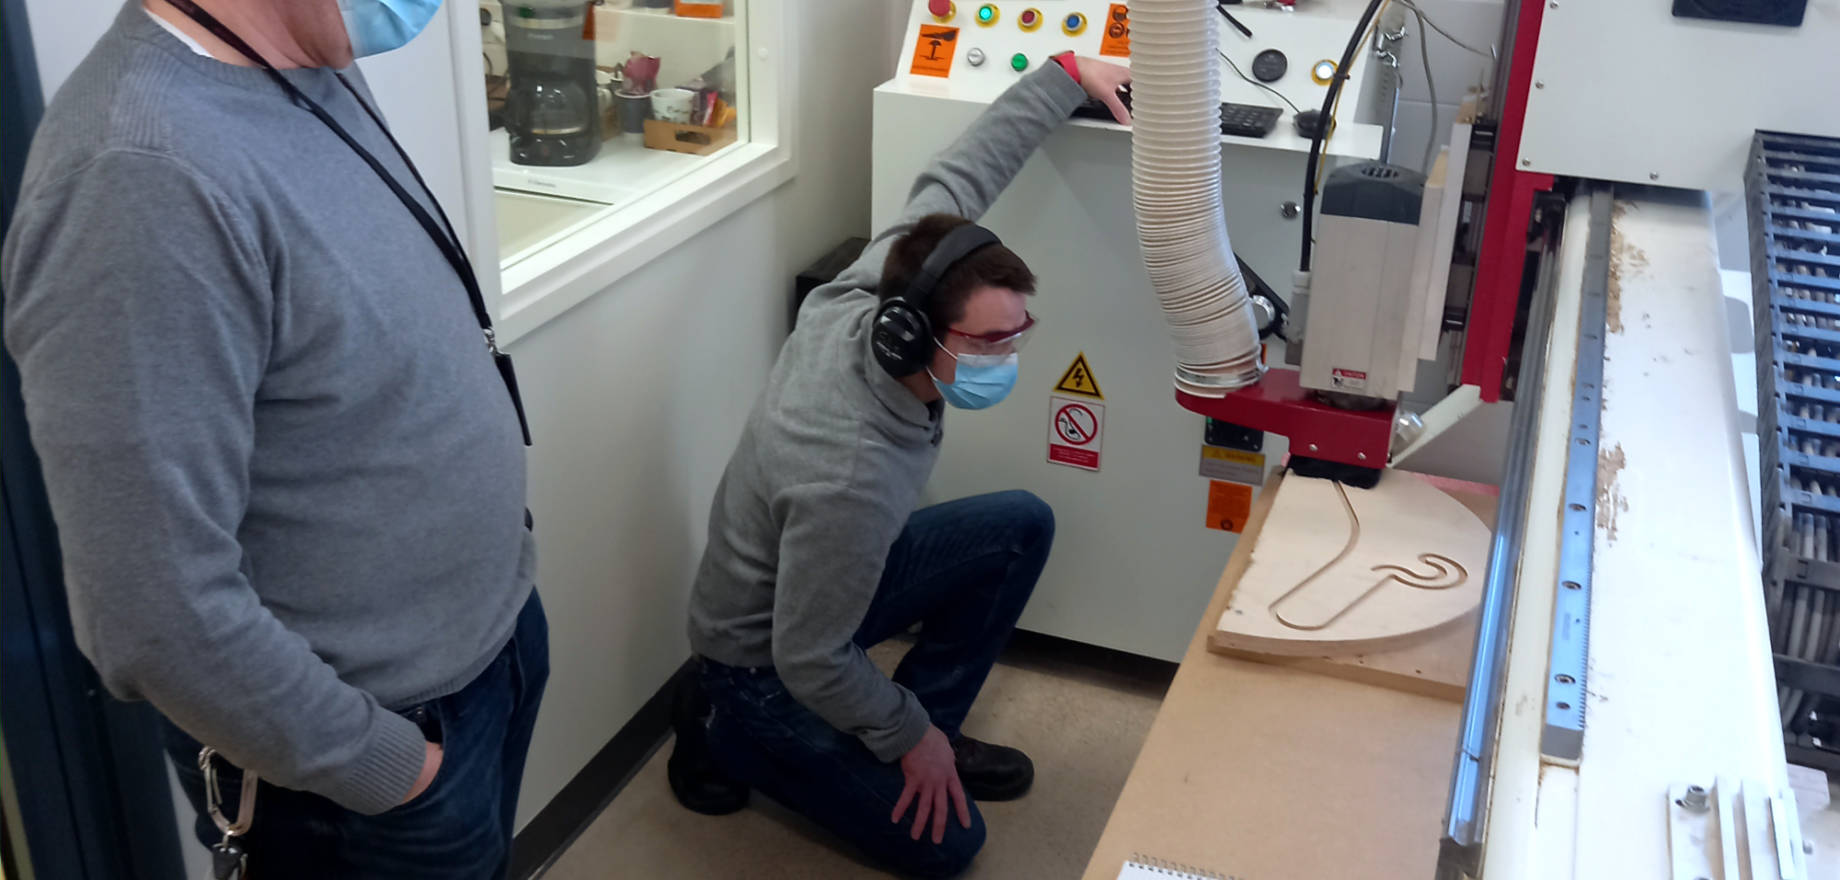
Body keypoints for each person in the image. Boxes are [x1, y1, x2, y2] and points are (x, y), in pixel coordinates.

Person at [1, 1, 544, 877]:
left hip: (487, 655)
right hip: (364, 768)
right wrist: (395, 773)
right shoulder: (135, 172)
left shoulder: (301, 61)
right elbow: (151, 613)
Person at [671, 54, 1132, 878]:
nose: (1015, 353)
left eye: (1021, 329)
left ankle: (924, 731)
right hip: (762, 663)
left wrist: (1067, 74)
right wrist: (904, 734)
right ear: (914, 335)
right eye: (993, 342)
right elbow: (808, 655)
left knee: (1020, 525)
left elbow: (958, 172)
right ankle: (724, 731)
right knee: (952, 848)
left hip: (808, 593)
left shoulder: (871, 291)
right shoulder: (847, 472)